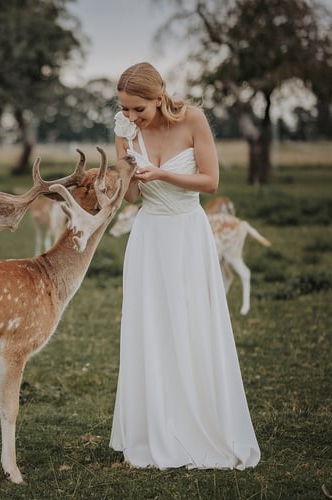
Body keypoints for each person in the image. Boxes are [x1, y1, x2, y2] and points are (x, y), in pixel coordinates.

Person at [109, 62, 260, 470]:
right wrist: (127, 169)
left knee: (191, 323)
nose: (130, 117)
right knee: (152, 327)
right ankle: (154, 428)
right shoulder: (124, 130)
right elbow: (132, 198)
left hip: (188, 234)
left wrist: (161, 173)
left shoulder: (193, 119)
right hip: (149, 237)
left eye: (138, 109)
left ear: (159, 96)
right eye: (124, 109)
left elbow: (211, 182)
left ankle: (199, 424)